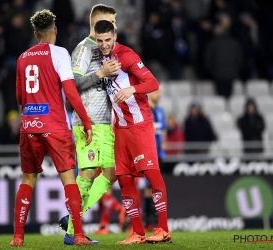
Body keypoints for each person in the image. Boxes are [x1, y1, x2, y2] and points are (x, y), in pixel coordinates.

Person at [10, 9, 93, 246]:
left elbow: (19, 96)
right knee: (69, 179)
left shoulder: (22, 58)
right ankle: (77, 235)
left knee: (27, 180)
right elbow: (70, 91)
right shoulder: (59, 53)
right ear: (54, 31)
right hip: (54, 126)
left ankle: (17, 237)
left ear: (36, 34)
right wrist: (86, 122)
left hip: (29, 125)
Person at [94, 20, 171, 244]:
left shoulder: (126, 56)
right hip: (119, 128)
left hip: (139, 124)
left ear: (115, 36)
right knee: (124, 179)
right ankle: (137, 232)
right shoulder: (98, 58)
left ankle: (163, 229)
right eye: (100, 41)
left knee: (151, 173)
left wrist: (132, 89)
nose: (104, 44)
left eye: (108, 40)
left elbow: (153, 83)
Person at [58, 4, 120, 245]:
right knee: (87, 173)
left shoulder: (106, 49)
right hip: (87, 123)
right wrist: (101, 74)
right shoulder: (84, 49)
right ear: (98, 22)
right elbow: (72, 84)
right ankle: (73, 231)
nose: (115, 25)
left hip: (105, 123)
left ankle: (74, 217)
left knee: (111, 173)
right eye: (111, 21)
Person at [143, 88, 167, 231]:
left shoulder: (160, 111)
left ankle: (159, 222)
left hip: (160, 155)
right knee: (148, 189)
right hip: (149, 155)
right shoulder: (146, 110)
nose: (159, 95)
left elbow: (163, 129)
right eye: (157, 92)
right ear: (150, 93)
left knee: (158, 187)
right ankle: (149, 221)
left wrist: (164, 143)